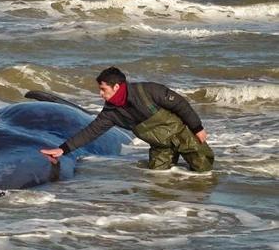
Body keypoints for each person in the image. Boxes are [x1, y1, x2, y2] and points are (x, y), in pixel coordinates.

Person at [40, 67, 214, 172]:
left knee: (204, 172)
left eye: (103, 89)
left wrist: (197, 128)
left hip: (183, 135)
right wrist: (63, 150)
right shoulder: (110, 113)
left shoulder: (149, 91)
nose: (100, 94)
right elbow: (91, 132)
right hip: (160, 146)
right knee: (158, 178)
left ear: (116, 86)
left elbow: (180, 104)